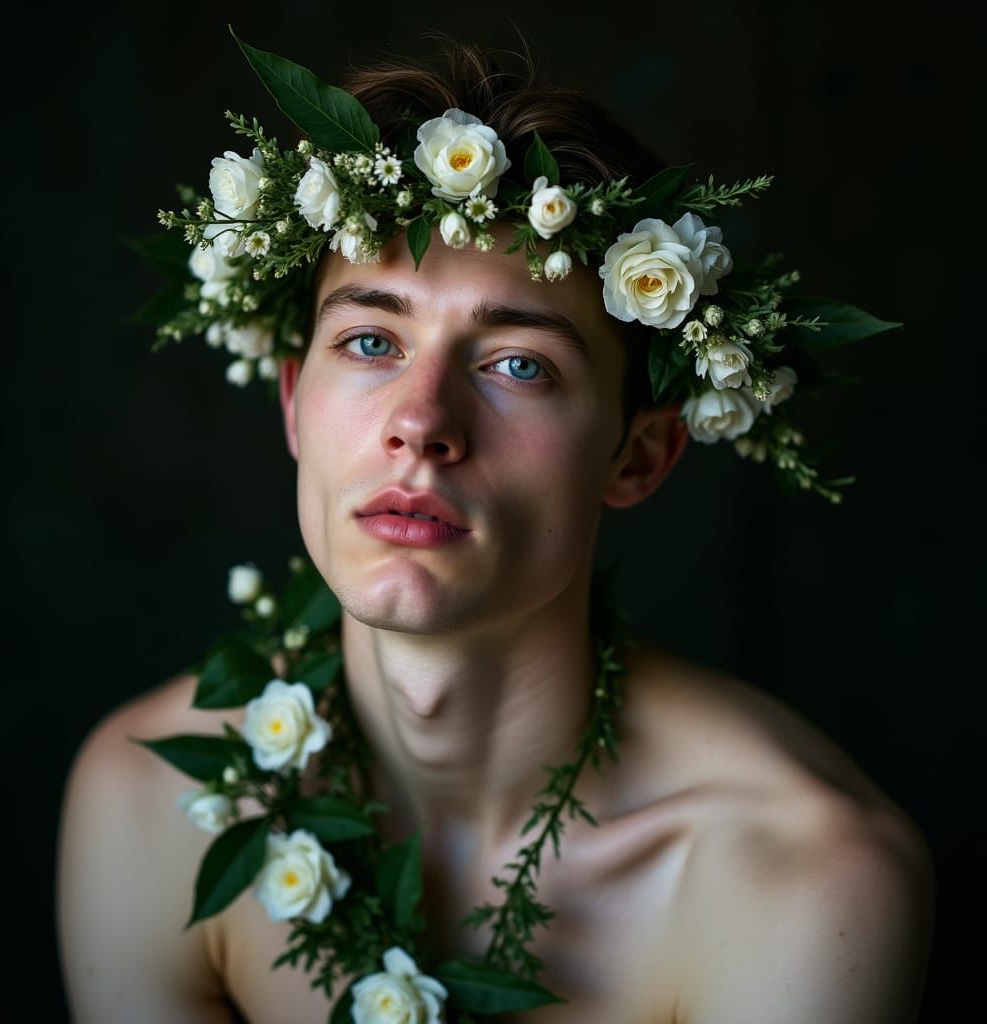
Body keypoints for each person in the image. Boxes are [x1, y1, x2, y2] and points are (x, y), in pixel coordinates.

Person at [56, 32, 935, 1023]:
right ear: (295, 404)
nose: (422, 422)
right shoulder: (147, 806)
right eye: (371, 340)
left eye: (517, 363)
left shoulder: (797, 886)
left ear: (636, 456)